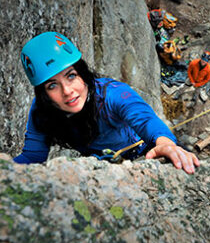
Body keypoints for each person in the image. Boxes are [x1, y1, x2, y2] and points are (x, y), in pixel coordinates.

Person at [14, 32, 199, 174]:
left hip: (144, 150)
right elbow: (33, 156)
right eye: (52, 85)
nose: (67, 91)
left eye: (71, 76)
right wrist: (1, 170)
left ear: (82, 73)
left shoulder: (112, 94)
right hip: (102, 164)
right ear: (44, 94)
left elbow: (145, 120)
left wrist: (166, 144)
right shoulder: (43, 110)